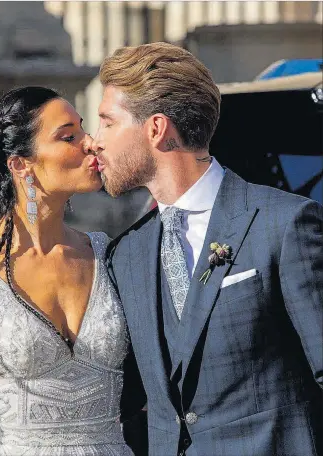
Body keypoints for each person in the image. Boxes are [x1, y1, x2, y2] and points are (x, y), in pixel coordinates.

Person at [91, 42, 322, 455]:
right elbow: (122, 395)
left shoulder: (284, 224)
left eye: (107, 123)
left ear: (156, 128)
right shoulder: (124, 256)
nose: (95, 141)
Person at [0, 86, 145, 456]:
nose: (90, 144)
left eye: (84, 130)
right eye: (69, 136)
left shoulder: (108, 256)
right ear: (20, 164)